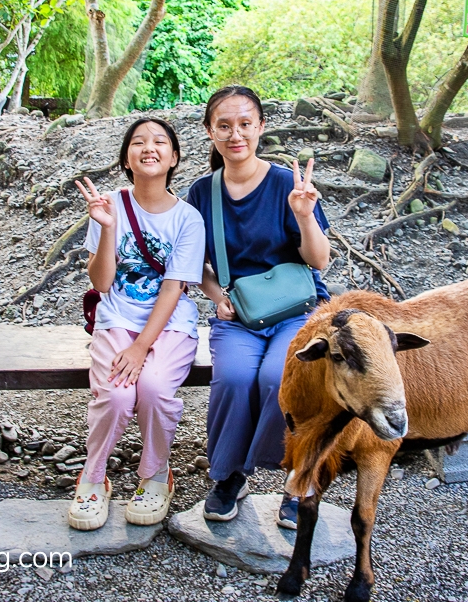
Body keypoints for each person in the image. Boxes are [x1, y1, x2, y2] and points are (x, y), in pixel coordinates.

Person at [186, 85, 331, 528]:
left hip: (297, 312)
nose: (236, 134)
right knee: (231, 379)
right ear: (210, 131)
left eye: (245, 124)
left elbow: (319, 260)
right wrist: (218, 296)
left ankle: (297, 477)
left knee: (276, 379)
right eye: (225, 125)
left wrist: (305, 215)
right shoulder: (201, 192)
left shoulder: (289, 184)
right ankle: (230, 475)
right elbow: (193, 266)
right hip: (240, 317)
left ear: (261, 127)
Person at [69, 118, 205, 531]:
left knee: (155, 387)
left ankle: (156, 476)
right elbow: (103, 282)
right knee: (114, 396)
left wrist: (141, 346)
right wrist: (108, 228)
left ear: (174, 157)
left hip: (170, 324)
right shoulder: (108, 206)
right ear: (127, 157)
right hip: (116, 319)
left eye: (160, 142)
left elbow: (172, 289)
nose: (150, 147)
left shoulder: (188, 219)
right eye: (139, 142)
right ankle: (93, 478)